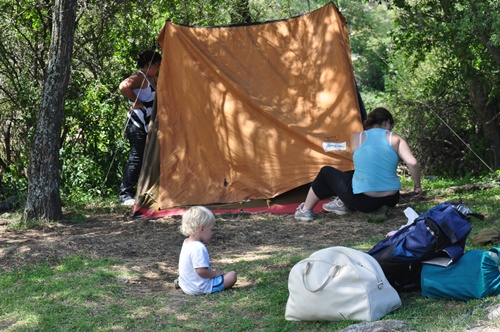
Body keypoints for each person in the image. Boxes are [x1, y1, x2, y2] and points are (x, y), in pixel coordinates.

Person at [295, 107, 422, 221]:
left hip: (364, 201)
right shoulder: (395, 138)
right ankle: (342, 203)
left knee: (326, 172)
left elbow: (363, 162)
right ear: (387, 122)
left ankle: (305, 210)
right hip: (391, 198)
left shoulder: (358, 137)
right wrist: (417, 186)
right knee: (352, 175)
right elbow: (413, 163)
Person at [118, 50, 162, 205]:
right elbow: (123, 86)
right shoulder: (139, 76)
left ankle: (142, 190)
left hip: (148, 125)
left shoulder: (153, 78)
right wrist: (135, 102)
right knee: (136, 157)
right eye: (156, 65)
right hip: (137, 123)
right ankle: (125, 194)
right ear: (148, 64)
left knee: (146, 157)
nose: (158, 68)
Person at [176, 206, 237, 295]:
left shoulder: (186, 243)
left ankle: (181, 283)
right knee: (232, 275)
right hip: (200, 287)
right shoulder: (198, 248)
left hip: (186, 285)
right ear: (202, 228)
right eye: (211, 229)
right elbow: (201, 271)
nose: (212, 233)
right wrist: (215, 274)